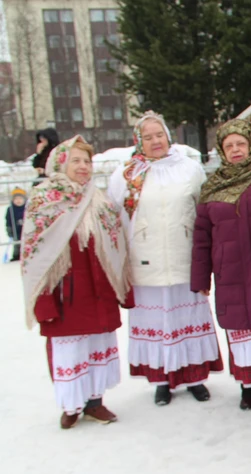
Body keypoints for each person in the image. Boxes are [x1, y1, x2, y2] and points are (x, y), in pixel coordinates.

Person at [108, 111, 223, 405]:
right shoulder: (126, 176)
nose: (155, 141)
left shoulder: (189, 169)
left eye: (159, 135)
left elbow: (204, 210)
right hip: (145, 261)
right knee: (156, 320)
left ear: (168, 137)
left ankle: (195, 377)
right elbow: (115, 218)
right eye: (147, 137)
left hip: (184, 257)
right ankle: (162, 380)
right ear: (138, 141)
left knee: (188, 315)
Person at [21, 136, 132, 428]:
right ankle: (71, 405)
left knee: (96, 345)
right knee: (70, 351)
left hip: (99, 291)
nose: (83, 167)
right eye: (76, 161)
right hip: (64, 293)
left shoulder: (101, 201)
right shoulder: (44, 200)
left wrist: (122, 285)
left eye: (87, 161)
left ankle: (95, 402)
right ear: (60, 164)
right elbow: (35, 257)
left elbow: (116, 244)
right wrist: (42, 301)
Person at [192, 119, 251, 411]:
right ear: (221, 150)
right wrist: (201, 277)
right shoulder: (213, 187)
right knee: (241, 327)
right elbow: (202, 238)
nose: (235, 150)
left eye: (240, 143)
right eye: (229, 146)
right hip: (230, 271)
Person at [6, 187, 27, 261]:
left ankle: (26, 255)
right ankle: (16, 255)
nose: (18, 201)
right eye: (16, 199)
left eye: (20, 198)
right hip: (16, 230)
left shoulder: (27, 208)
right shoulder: (10, 209)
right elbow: (8, 220)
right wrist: (9, 229)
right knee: (16, 243)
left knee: (26, 242)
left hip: (25, 229)